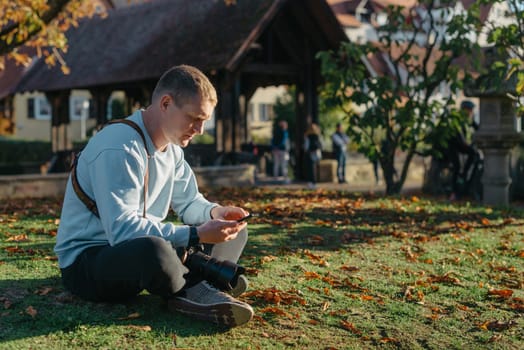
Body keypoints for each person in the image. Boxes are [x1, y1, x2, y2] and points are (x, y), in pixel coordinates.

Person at [54, 65, 254, 328]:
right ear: (166, 103)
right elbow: (122, 231)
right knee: (154, 250)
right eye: (195, 117)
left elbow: (190, 202)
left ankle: (191, 279)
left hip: (139, 249)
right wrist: (195, 235)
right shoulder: (120, 146)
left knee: (236, 232)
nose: (201, 129)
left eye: (205, 120)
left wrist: (216, 213)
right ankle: (195, 286)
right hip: (89, 262)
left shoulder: (172, 151)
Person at [443, 100, 480, 200]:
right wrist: (467, 145)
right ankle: (454, 193)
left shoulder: (468, 119)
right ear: (464, 109)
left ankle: (464, 176)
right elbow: (459, 137)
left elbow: (478, 127)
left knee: (474, 155)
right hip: (452, 146)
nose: (470, 112)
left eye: (471, 110)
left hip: (461, 146)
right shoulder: (457, 118)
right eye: (469, 110)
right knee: (457, 167)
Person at [304, 123, 322, 189]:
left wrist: (306, 151)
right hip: (316, 153)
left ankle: (311, 181)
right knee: (314, 168)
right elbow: (321, 144)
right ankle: (314, 181)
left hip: (311, 153)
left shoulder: (308, 136)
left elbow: (306, 145)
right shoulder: (317, 135)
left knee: (310, 168)